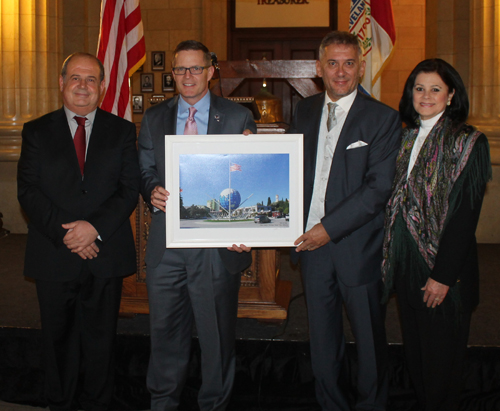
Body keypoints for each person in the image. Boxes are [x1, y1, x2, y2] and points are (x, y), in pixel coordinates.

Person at [17, 52, 140, 410]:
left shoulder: (122, 131)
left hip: (106, 252)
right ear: (61, 82)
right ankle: (60, 403)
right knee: (57, 342)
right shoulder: (36, 130)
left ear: (102, 87)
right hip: (54, 254)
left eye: (91, 80)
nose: (83, 86)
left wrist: (94, 229)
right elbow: (28, 190)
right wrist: (69, 234)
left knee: (102, 342)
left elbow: (128, 188)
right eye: (75, 78)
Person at [138, 40, 256, 411]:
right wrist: (152, 189)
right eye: (180, 69)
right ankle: (162, 403)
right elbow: (144, 170)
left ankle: (214, 406)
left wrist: (247, 229)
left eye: (195, 68)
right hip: (167, 245)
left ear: (210, 70)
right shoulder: (154, 118)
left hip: (215, 249)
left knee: (216, 340)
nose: (187, 76)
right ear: (172, 73)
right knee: (164, 337)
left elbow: (249, 180)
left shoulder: (237, 117)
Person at [291, 31, 401, 410]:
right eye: (333, 63)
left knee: (369, 343)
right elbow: (288, 170)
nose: (341, 72)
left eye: (349, 63)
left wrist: (328, 229)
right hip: (311, 250)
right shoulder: (303, 110)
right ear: (319, 68)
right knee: (322, 343)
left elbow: (377, 189)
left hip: (357, 248)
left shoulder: (384, 119)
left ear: (361, 67)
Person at [382, 59, 491, 411]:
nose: (425, 96)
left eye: (435, 89)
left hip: (443, 273)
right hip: (406, 264)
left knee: (441, 366)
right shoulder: (405, 136)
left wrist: (442, 277)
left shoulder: (467, 142)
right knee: (417, 359)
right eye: (419, 88)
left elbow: (464, 216)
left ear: (451, 95)